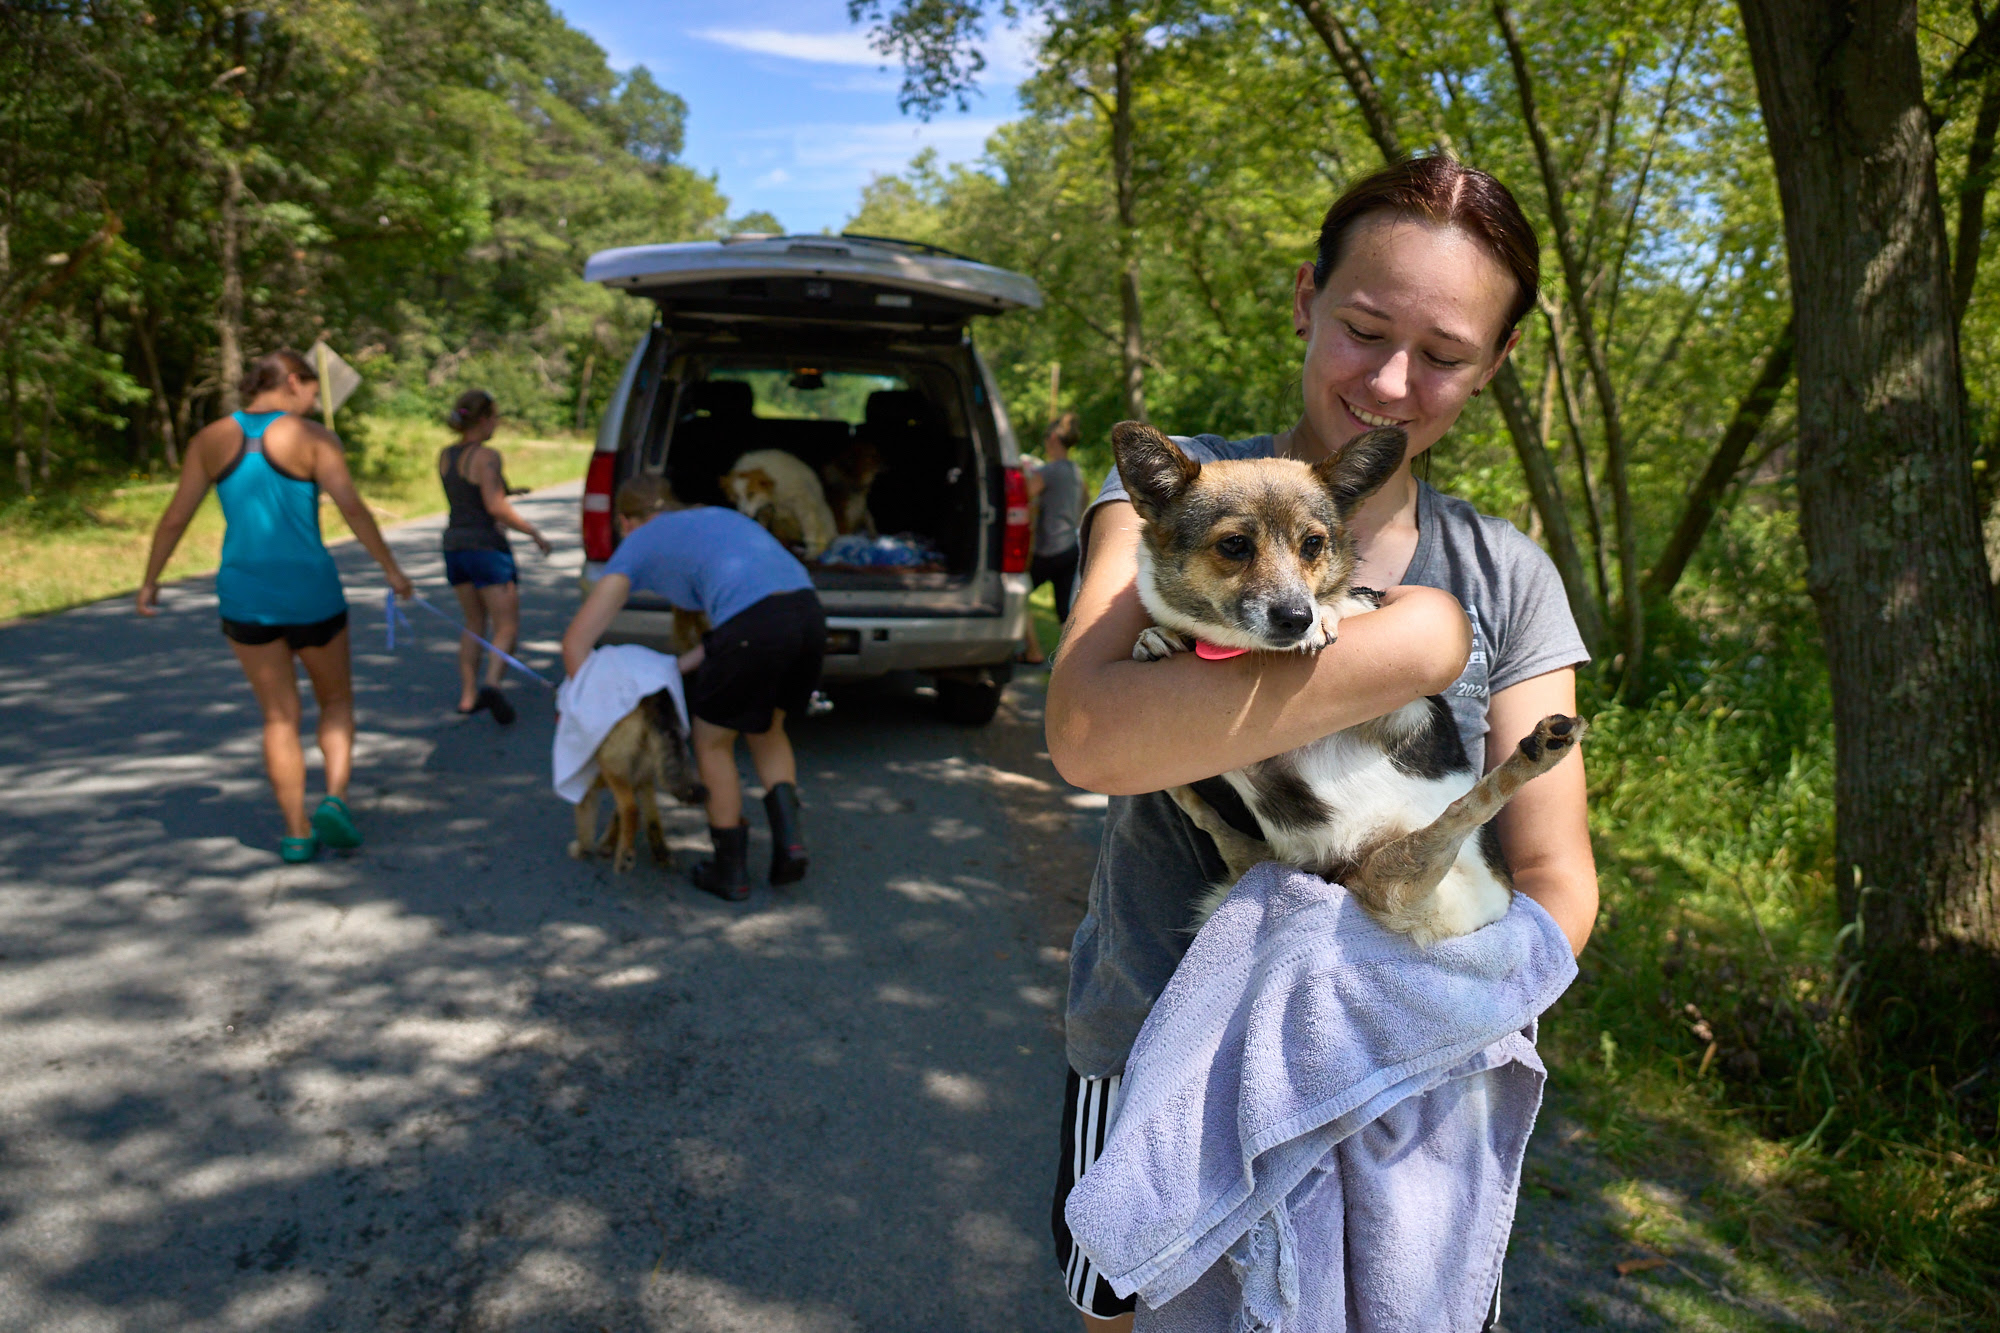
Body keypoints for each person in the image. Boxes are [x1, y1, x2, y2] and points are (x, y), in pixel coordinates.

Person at [1042, 156, 1598, 1330]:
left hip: (1415, 1060)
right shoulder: (1179, 490)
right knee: (1126, 1302)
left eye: (1443, 354)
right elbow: (1089, 734)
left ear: (1494, 365)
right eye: (1361, 327)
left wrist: (1442, 996)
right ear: (1304, 300)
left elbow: (1553, 873)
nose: (1391, 380)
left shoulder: (1509, 576)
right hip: (1155, 1049)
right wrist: (1404, 649)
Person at [137, 349, 415, 863]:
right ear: (292, 381)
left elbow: (176, 516)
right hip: (312, 593)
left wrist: (151, 581)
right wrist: (392, 571)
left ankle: (295, 832)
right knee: (335, 702)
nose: (313, 400)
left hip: (246, 596)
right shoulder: (314, 439)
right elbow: (352, 507)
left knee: (279, 717)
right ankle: (335, 798)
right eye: (311, 390)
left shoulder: (211, 439)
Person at [560, 475, 826, 902]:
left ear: (627, 521)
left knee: (712, 741)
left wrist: (587, 710)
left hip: (752, 623)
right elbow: (724, 634)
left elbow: (576, 643)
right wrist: (671, 670)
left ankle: (730, 871)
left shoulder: (637, 543)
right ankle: (791, 845)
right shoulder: (717, 517)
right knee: (768, 730)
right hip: (808, 614)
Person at [437, 388, 552, 725]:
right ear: (485, 420)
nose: (497, 424)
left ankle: (468, 696)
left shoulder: (446, 455)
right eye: (496, 418)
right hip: (486, 547)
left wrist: (508, 490)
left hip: (455, 545)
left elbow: (466, 494)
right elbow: (493, 506)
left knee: (474, 623)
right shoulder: (487, 457)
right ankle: (492, 684)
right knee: (506, 625)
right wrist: (534, 532)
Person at [1019, 411, 1084, 666]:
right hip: (1070, 547)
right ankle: (1075, 663)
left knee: (1019, 597)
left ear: (1054, 438)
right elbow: (1084, 502)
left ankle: (1033, 651)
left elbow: (1023, 493)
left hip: (1049, 550)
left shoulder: (1048, 471)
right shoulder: (1076, 472)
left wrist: (1025, 474)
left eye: (1047, 436)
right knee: (1064, 613)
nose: (1045, 441)